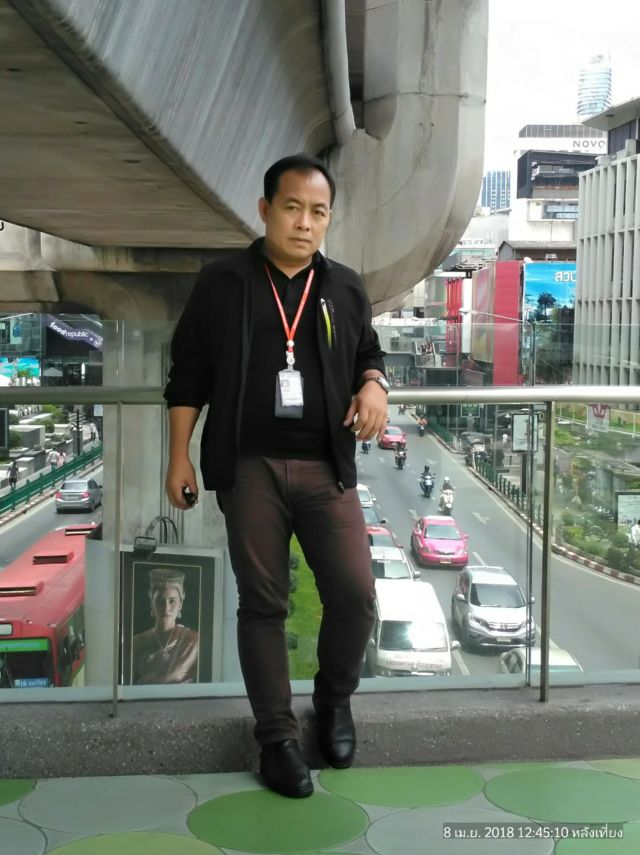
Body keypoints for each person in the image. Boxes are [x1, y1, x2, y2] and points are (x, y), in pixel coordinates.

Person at [164, 154, 388, 799]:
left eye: (319, 212)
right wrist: (179, 455)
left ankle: (334, 702)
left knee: (355, 593)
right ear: (265, 210)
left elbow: (367, 351)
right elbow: (189, 374)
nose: (305, 223)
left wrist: (374, 382)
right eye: (293, 208)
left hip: (325, 466)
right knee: (263, 603)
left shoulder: (344, 287)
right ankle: (276, 739)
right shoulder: (223, 283)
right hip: (249, 467)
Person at [131, 568, 199, 685]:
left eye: (172, 601)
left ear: (180, 604)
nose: (166, 608)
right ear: (151, 603)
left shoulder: (194, 641)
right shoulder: (136, 643)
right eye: (159, 601)